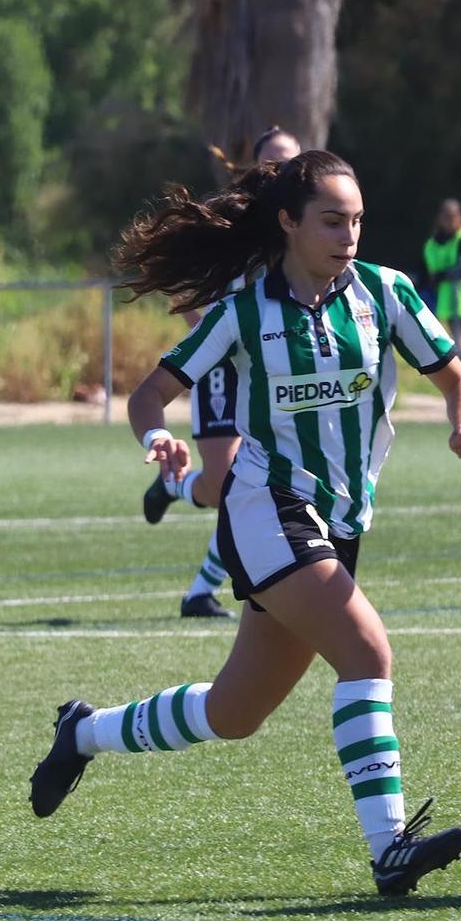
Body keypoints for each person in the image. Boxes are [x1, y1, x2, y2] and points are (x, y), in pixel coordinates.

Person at [31, 149, 461, 897]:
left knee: (233, 712)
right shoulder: (245, 312)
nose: (350, 235)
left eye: (358, 220)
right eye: (332, 220)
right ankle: (390, 850)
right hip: (266, 507)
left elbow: (455, 380)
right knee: (368, 653)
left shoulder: (386, 292)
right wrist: (157, 441)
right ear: (288, 222)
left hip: (340, 520)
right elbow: (150, 396)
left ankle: (82, 731)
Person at [142, 125, 304, 620]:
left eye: (293, 161)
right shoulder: (229, 221)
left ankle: (203, 591)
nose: (284, 170)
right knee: (224, 486)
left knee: (252, 484)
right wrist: (216, 335)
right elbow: (179, 281)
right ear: (256, 168)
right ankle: (176, 491)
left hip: (277, 368)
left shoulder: (310, 223)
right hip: (222, 370)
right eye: (274, 161)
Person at [421, 198, 461, 360]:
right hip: (445, 297)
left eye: (453, 215)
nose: (450, 220)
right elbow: (430, 272)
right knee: (453, 339)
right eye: (446, 216)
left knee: (458, 338)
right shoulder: (433, 243)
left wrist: (443, 274)